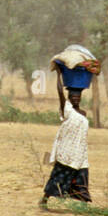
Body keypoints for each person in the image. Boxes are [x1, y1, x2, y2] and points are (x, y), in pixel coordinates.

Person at [41, 72, 91, 207]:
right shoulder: (66, 109)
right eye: (73, 97)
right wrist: (58, 74)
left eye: (78, 97)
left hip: (79, 152)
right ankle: (44, 200)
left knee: (81, 176)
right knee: (58, 176)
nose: (76, 99)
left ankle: (84, 205)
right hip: (66, 151)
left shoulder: (83, 113)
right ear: (69, 97)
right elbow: (59, 93)